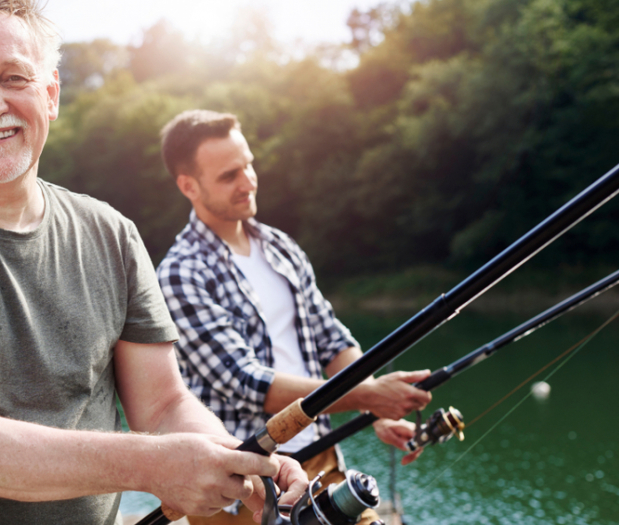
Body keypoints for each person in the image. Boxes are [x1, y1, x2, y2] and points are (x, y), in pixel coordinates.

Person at [0, 4, 307, 525]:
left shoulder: (113, 234)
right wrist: (152, 465)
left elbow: (166, 405)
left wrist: (236, 462)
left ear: (50, 94)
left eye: (14, 78)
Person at [156, 110, 434, 525]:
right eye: (229, 175)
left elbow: (332, 339)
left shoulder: (281, 247)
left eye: (248, 164)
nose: (248, 180)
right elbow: (248, 383)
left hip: (320, 457)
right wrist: (367, 397)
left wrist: (374, 408)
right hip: (240, 483)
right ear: (188, 186)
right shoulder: (181, 273)